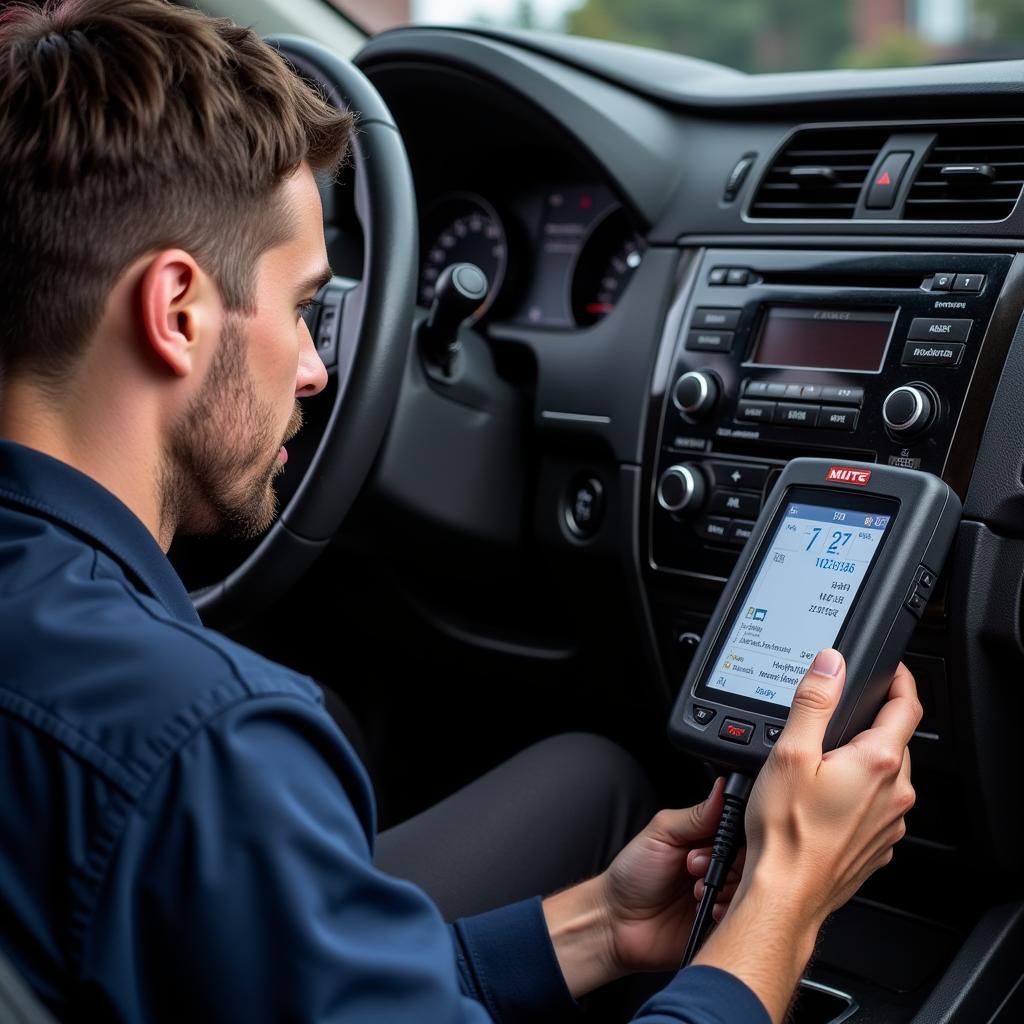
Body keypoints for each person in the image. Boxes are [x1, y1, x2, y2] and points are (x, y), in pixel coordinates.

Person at [0, 2, 920, 1022]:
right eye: (306, 305)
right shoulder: (207, 747)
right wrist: (786, 898)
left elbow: (286, 978)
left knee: (595, 779)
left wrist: (597, 928)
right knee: (597, 775)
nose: (315, 369)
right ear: (175, 311)